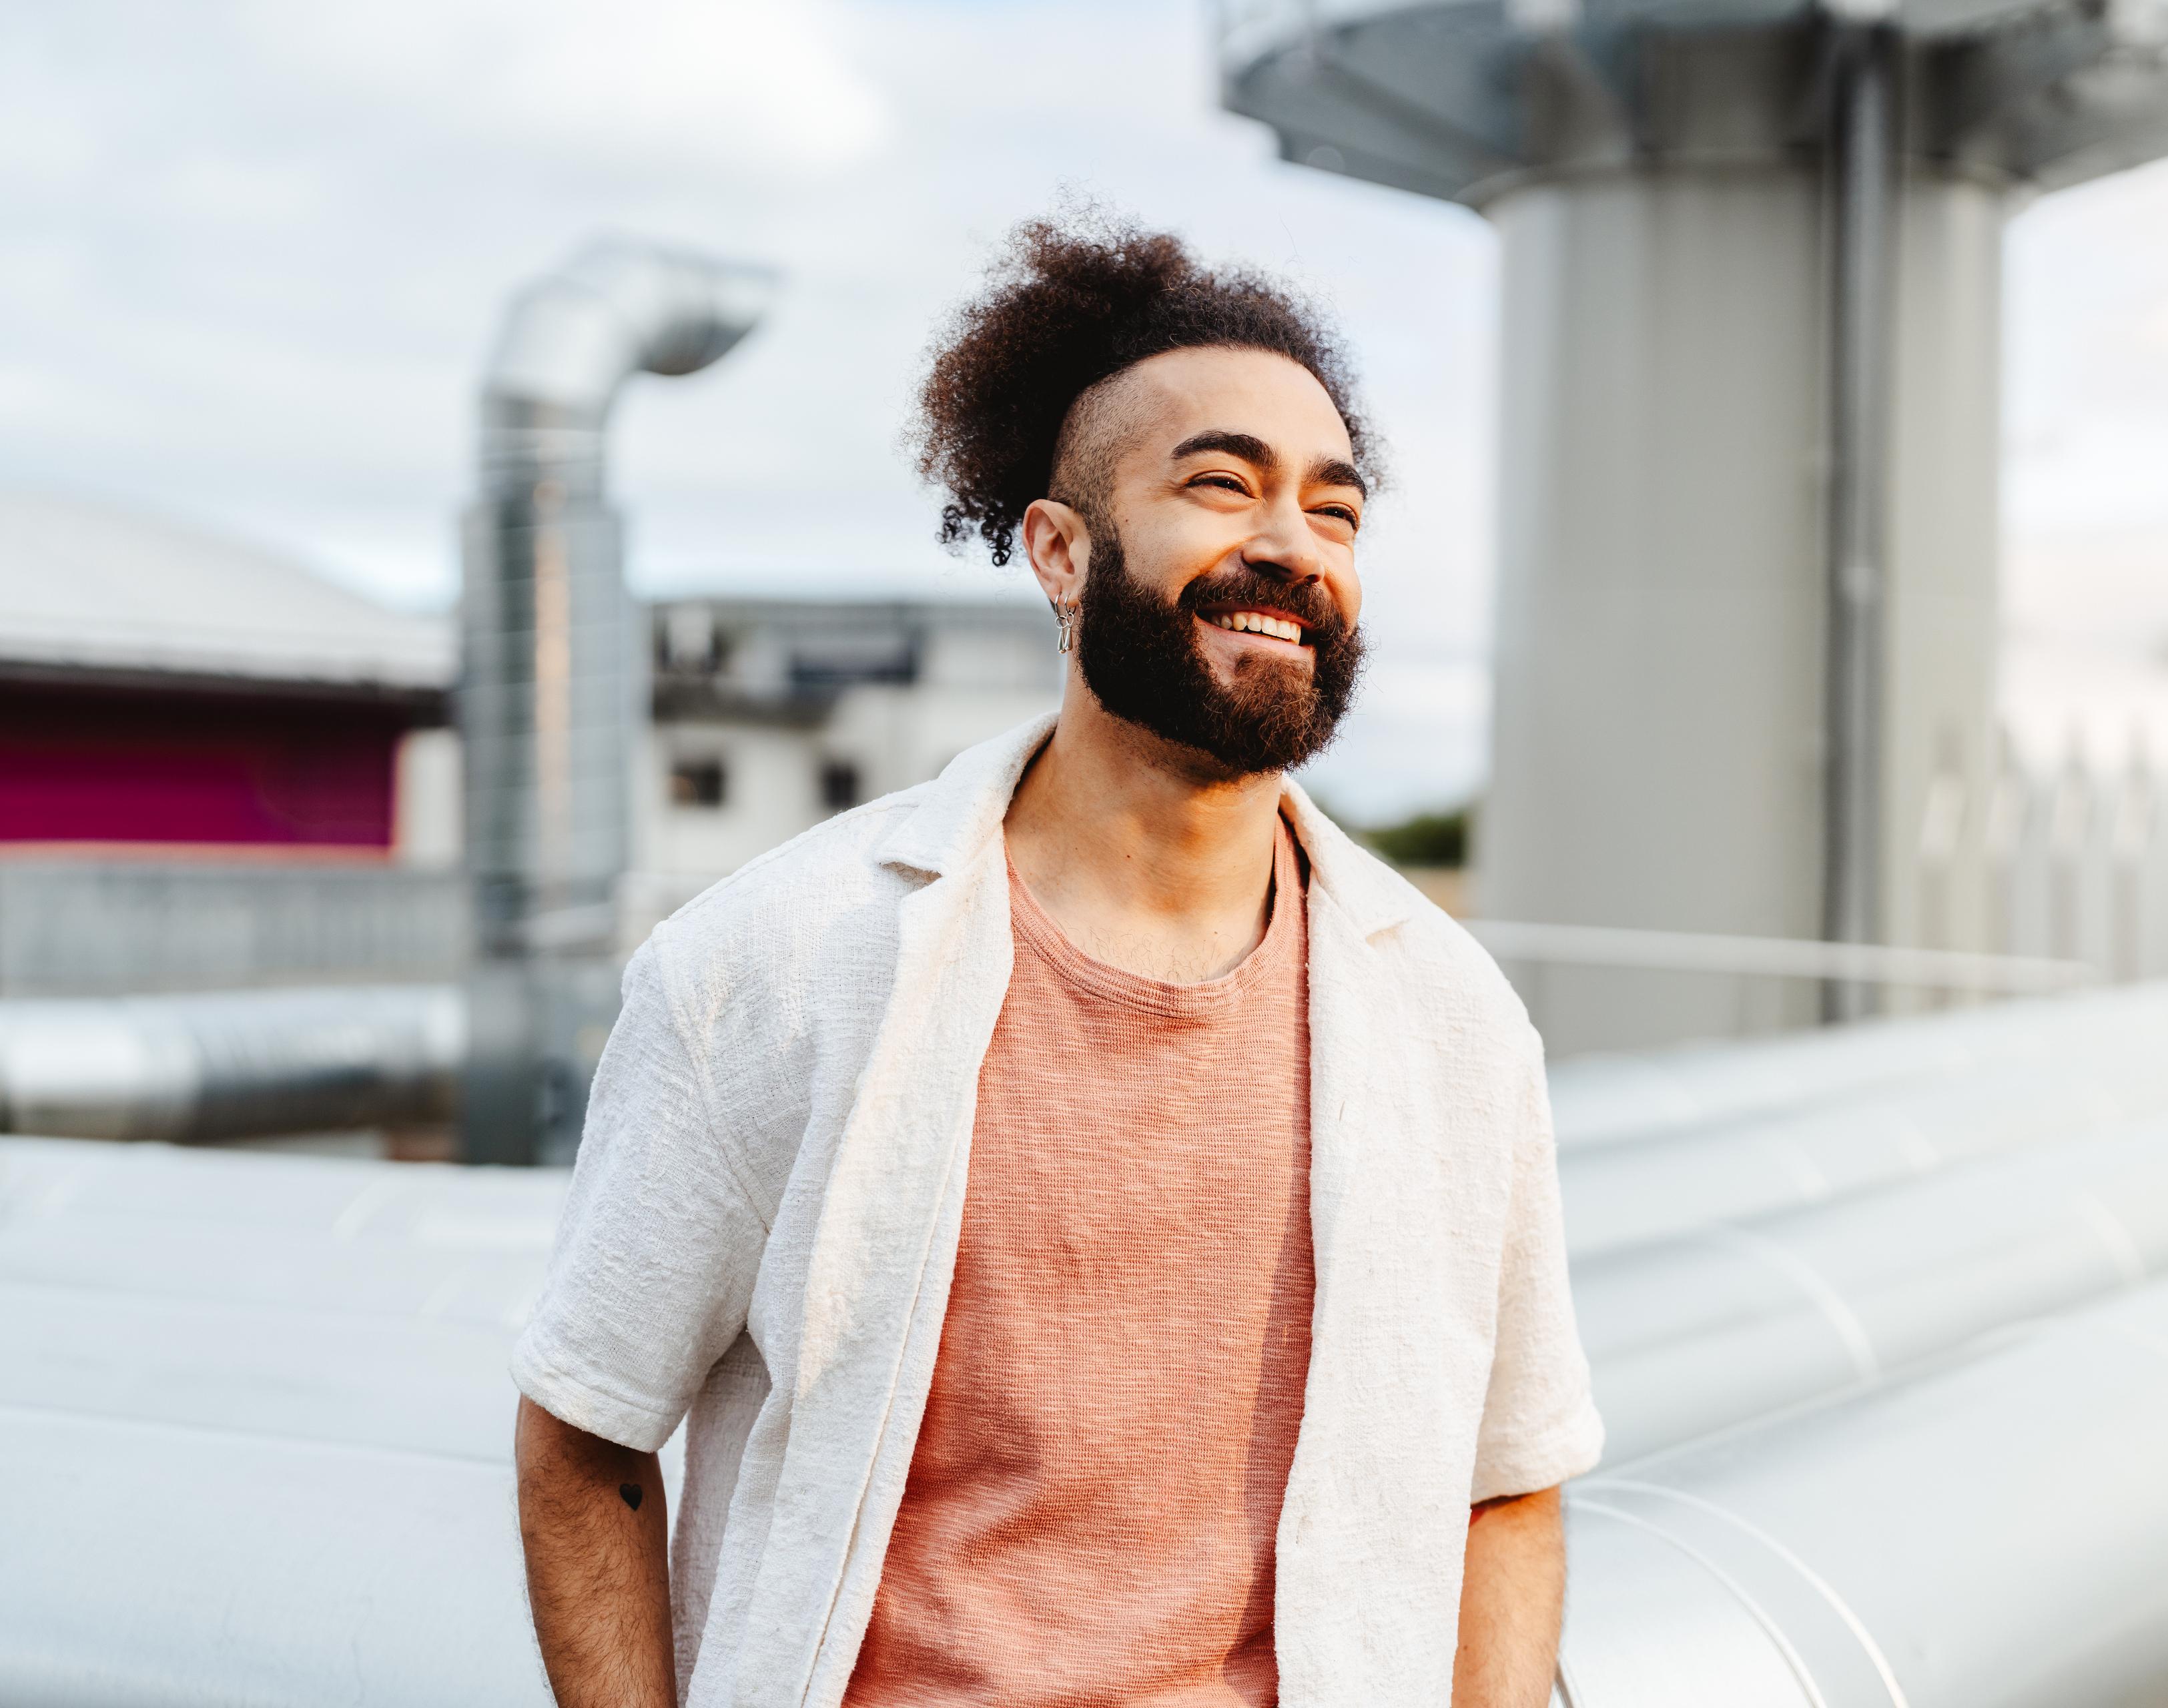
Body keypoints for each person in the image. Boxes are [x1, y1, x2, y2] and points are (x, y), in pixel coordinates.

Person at [510, 214, 1601, 1708]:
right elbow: (585, 1433)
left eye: (1335, 510)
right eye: (1221, 484)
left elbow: (1509, 1481)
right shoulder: (770, 963)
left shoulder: (1456, 1021)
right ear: (1060, 549)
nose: (1291, 542)